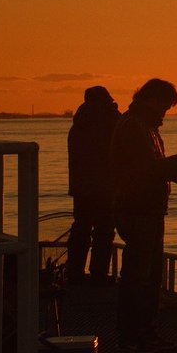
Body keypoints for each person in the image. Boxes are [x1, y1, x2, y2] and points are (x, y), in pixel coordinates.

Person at [110, 78, 177, 353]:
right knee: (137, 277)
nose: (166, 111)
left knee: (151, 277)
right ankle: (131, 336)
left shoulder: (147, 128)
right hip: (136, 211)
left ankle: (145, 332)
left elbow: (156, 169)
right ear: (151, 99)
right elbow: (149, 169)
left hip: (150, 210)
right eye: (164, 105)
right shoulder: (132, 127)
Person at [66, 85, 120, 285]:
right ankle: (98, 275)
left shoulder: (78, 124)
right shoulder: (111, 121)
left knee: (80, 229)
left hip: (81, 187)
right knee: (104, 231)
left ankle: (74, 273)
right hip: (105, 187)